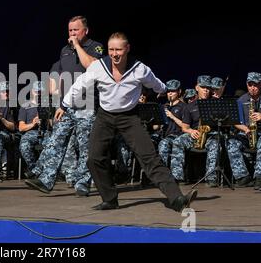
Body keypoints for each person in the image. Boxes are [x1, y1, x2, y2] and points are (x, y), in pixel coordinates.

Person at [58, 32, 197, 211]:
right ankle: (110, 199)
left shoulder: (139, 69)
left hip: (130, 117)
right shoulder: (98, 67)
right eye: (111, 50)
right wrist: (64, 105)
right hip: (105, 116)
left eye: (119, 50)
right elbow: (79, 86)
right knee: (94, 158)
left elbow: (155, 83)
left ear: (127, 49)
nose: (115, 54)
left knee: (149, 157)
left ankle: (177, 198)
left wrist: (162, 89)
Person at [25, 16, 105, 197]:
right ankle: (46, 179)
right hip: (67, 104)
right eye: (70, 30)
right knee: (57, 140)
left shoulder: (95, 46)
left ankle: (82, 182)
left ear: (86, 30)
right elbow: (57, 76)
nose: (72, 34)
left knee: (85, 146)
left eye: (76, 30)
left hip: (88, 104)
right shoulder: (64, 50)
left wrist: (77, 46)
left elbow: (91, 66)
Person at [226, 72, 261, 190]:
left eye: (255, 85)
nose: (252, 88)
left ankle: (259, 177)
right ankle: (243, 176)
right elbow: (236, 122)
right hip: (248, 132)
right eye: (250, 85)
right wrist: (246, 129)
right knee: (231, 143)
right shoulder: (242, 100)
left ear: (260, 84)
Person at [158, 80, 186, 167]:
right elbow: (156, 127)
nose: (170, 93)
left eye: (173, 91)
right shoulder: (164, 106)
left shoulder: (184, 107)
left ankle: (164, 173)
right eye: (168, 91)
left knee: (164, 143)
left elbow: (185, 126)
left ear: (179, 92)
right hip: (164, 135)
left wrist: (172, 116)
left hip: (177, 135)